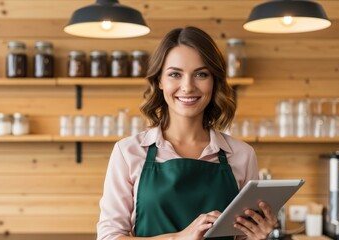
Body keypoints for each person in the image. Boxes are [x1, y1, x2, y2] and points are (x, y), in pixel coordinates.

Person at [97, 26, 277, 240]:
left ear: (214, 81)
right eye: (175, 74)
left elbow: (241, 236)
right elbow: (109, 237)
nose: (188, 86)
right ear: (160, 81)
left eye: (201, 74)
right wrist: (178, 238)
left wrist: (258, 236)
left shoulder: (242, 155)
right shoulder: (129, 152)